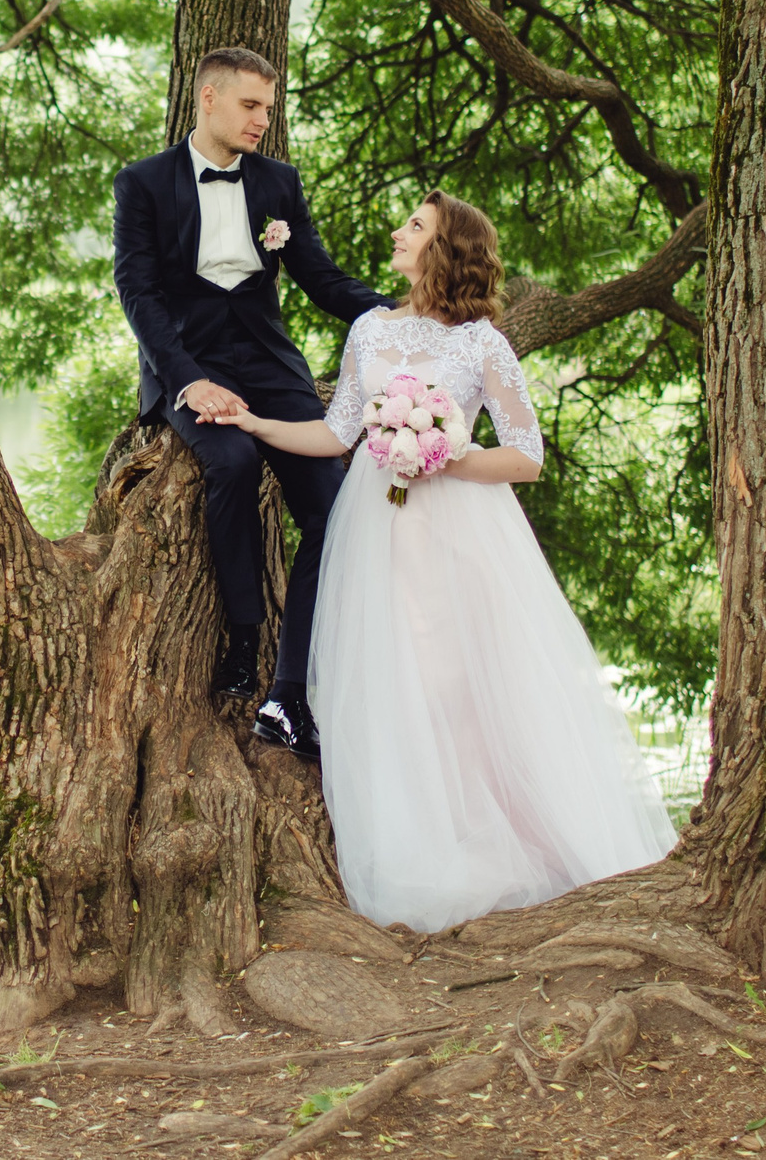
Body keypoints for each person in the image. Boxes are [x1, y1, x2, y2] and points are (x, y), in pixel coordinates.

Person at [217, 191, 675, 931]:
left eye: (415, 226)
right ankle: (424, 845)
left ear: (446, 248)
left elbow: (527, 456)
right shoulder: (369, 329)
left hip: (457, 535)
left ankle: (494, 838)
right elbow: (336, 434)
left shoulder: (482, 344)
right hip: (377, 537)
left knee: (457, 686)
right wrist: (253, 423)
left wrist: (442, 452)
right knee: (393, 684)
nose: (398, 233)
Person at [110, 47, 389, 759]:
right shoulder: (143, 183)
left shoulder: (277, 182)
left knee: (333, 505)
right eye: (251, 105)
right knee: (231, 462)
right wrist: (186, 380)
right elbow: (138, 293)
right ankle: (243, 632)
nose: (264, 119)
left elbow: (320, 277)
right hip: (190, 361)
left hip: (269, 363)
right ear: (208, 98)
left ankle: (288, 691)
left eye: (268, 107)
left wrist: (400, 314)